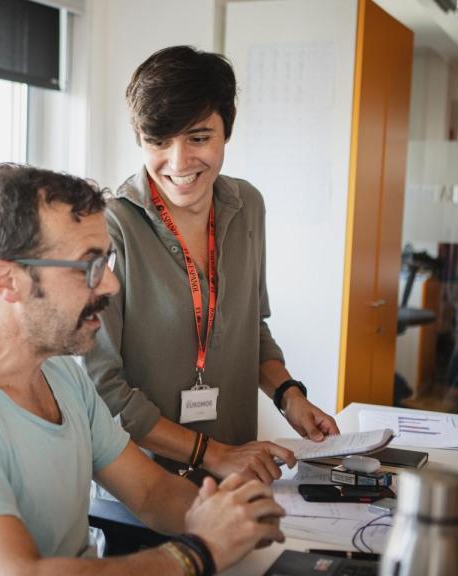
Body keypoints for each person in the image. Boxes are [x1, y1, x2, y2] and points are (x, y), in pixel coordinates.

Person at [0, 164, 286, 576]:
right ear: (7, 281)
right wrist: (197, 551)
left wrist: (228, 517)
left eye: (106, 262)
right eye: (89, 267)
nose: (110, 285)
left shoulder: (62, 376)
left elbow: (150, 491)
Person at [84, 46, 340, 484]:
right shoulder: (110, 227)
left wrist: (289, 396)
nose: (179, 163)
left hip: (239, 472)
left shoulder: (247, 206)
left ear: (227, 128)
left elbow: (249, 329)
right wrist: (212, 454)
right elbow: (101, 388)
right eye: (158, 142)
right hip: (143, 489)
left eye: (199, 138)